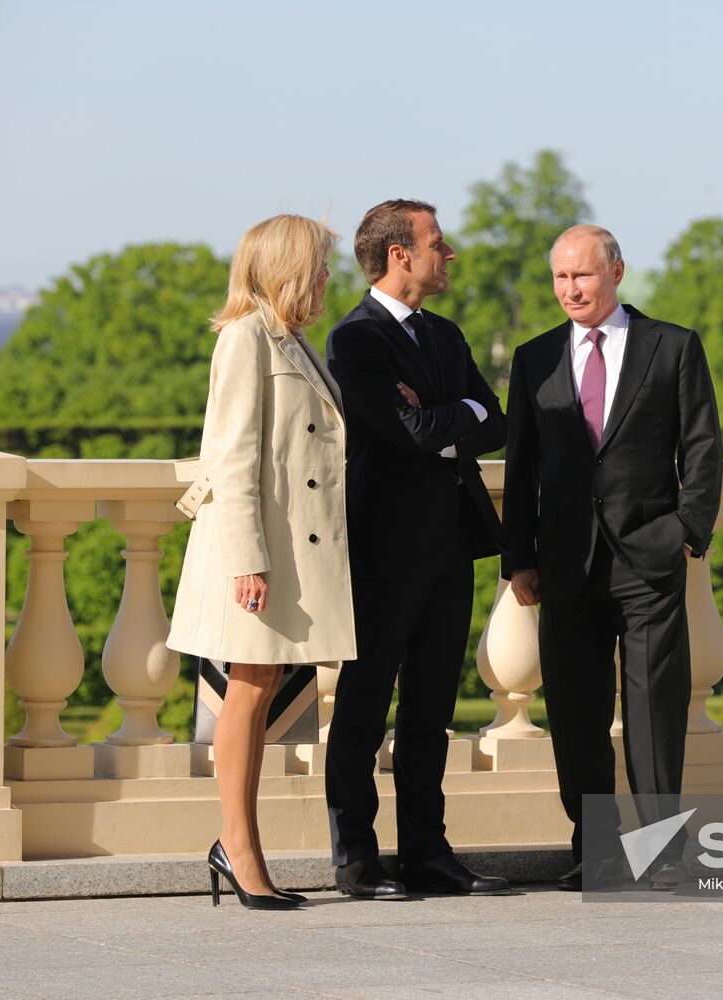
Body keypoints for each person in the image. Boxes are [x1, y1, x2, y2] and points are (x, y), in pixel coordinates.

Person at [502, 224, 723, 891]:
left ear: (617, 272)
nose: (571, 289)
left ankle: (662, 854)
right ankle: (594, 852)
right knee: (575, 715)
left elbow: (703, 447)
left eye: (584, 275)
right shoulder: (534, 357)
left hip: (649, 559)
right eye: (560, 277)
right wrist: (519, 555)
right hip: (564, 563)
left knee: (655, 713)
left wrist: (687, 529)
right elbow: (521, 466)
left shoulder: (673, 347)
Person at [324, 199, 510, 899]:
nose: (449, 254)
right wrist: (450, 416)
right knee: (364, 707)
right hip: (380, 549)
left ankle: (428, 855)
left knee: (431, 710)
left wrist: (449, 416)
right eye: (438, 242)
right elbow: (406, 430)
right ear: (401, 253)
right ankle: (356, 858)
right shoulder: (355, 340)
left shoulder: (445, 335)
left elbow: (493, 421)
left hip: (449, 546)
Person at [168, 214, 355, 910]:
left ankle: (241, 847)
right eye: (321, 266)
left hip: (285, 552)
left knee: (261, 687)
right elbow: (233, 456)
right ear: (288, 269)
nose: (329, 279)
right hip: (256, 554)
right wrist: (248, 558)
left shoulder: (291, 340)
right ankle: (238, 849)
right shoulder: (245, 339)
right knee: (244, 695)